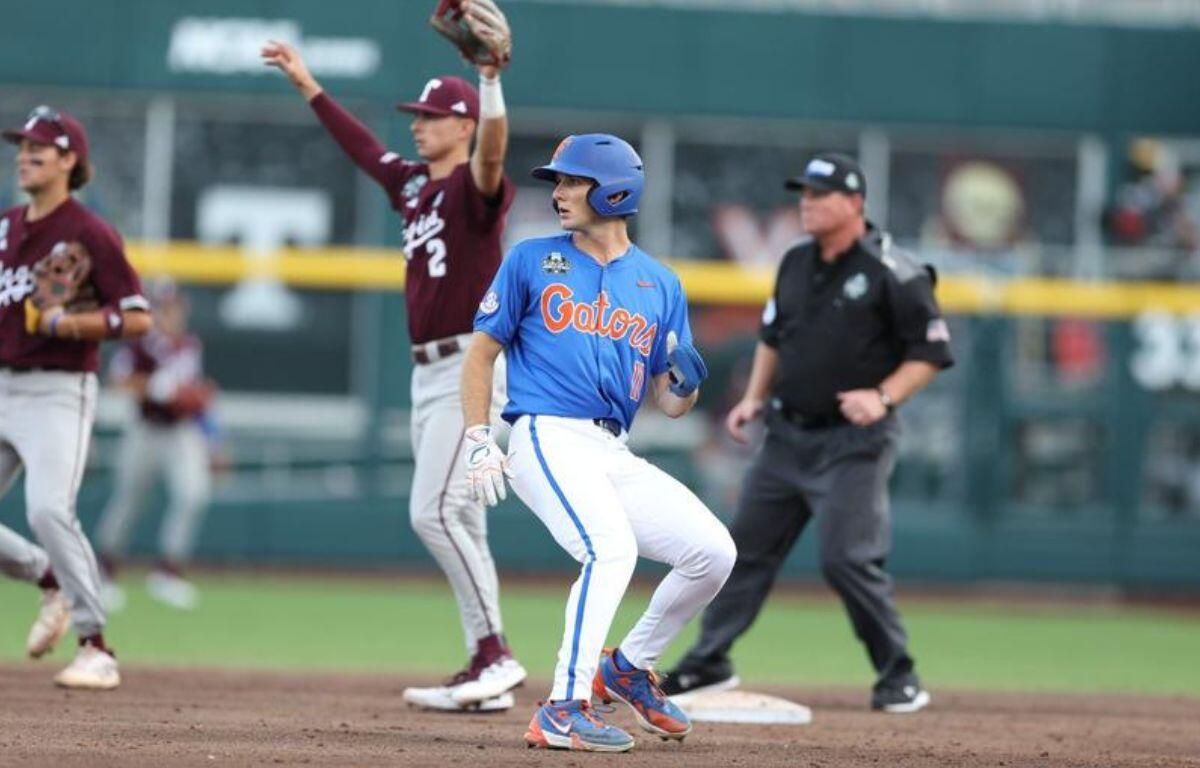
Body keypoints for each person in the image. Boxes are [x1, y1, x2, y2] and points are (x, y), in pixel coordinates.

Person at [262, 26, 526, 711]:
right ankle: (484, 666)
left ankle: (497, 655)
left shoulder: (474, 187)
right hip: (425, 373)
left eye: (431, 117)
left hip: (471, 365)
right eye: (417, 117)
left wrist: (491, 79)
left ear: (462, 126)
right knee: (463, 521)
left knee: (433, 512)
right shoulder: (411, 184)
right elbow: (361, 147)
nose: (418, 127)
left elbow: (495, 153)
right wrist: (309, 85)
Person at [461, 134, 737, 752]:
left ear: (614, 190)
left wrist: (688, 386)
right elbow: (480, 356)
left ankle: (629, 668)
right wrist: (481, 438)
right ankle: (562, 707)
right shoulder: (532, 259)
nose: (558, 193)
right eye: (557, 181)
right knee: (610, 550)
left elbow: (669, 403)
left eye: (571, 181)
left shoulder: (660, 284)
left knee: (713, 552)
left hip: (611, 448)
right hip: (544, 433)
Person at [663, 153, 954, 714]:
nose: (808, 203)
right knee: (741, 550)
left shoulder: (896, 270)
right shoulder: (795, 261)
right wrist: (753, 398)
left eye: (820, 195)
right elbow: (772, 338)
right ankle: (708, 662)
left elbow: (932, 351)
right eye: (805, 194)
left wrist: (884, 395)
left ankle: (899, 673)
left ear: (854, 204)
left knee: (847, 559)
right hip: (787, 435)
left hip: (853, 442)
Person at [0, 105, 152, 689]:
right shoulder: (9, 226)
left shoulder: (89, 232)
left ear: (69, 161)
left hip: (57, 391)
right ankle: (46, 576)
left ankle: (96, 646)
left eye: (39, 149)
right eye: (21, 147)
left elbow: (137, 320)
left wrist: (70, 325)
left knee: (47, 509)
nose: (25, 156)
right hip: (4, 381)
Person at [95, 280, 218, 611]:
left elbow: (196, 395)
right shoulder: (142, 343)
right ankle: (105, 572)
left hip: (180, 431)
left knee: (194, 493)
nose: (172, 314)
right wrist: (153, 387)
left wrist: (212, 437)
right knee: (129, 500)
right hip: (145, 429)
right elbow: (118, 380)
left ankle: (168, 571)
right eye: (165, 307)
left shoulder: (190, 344)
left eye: (176, 307)